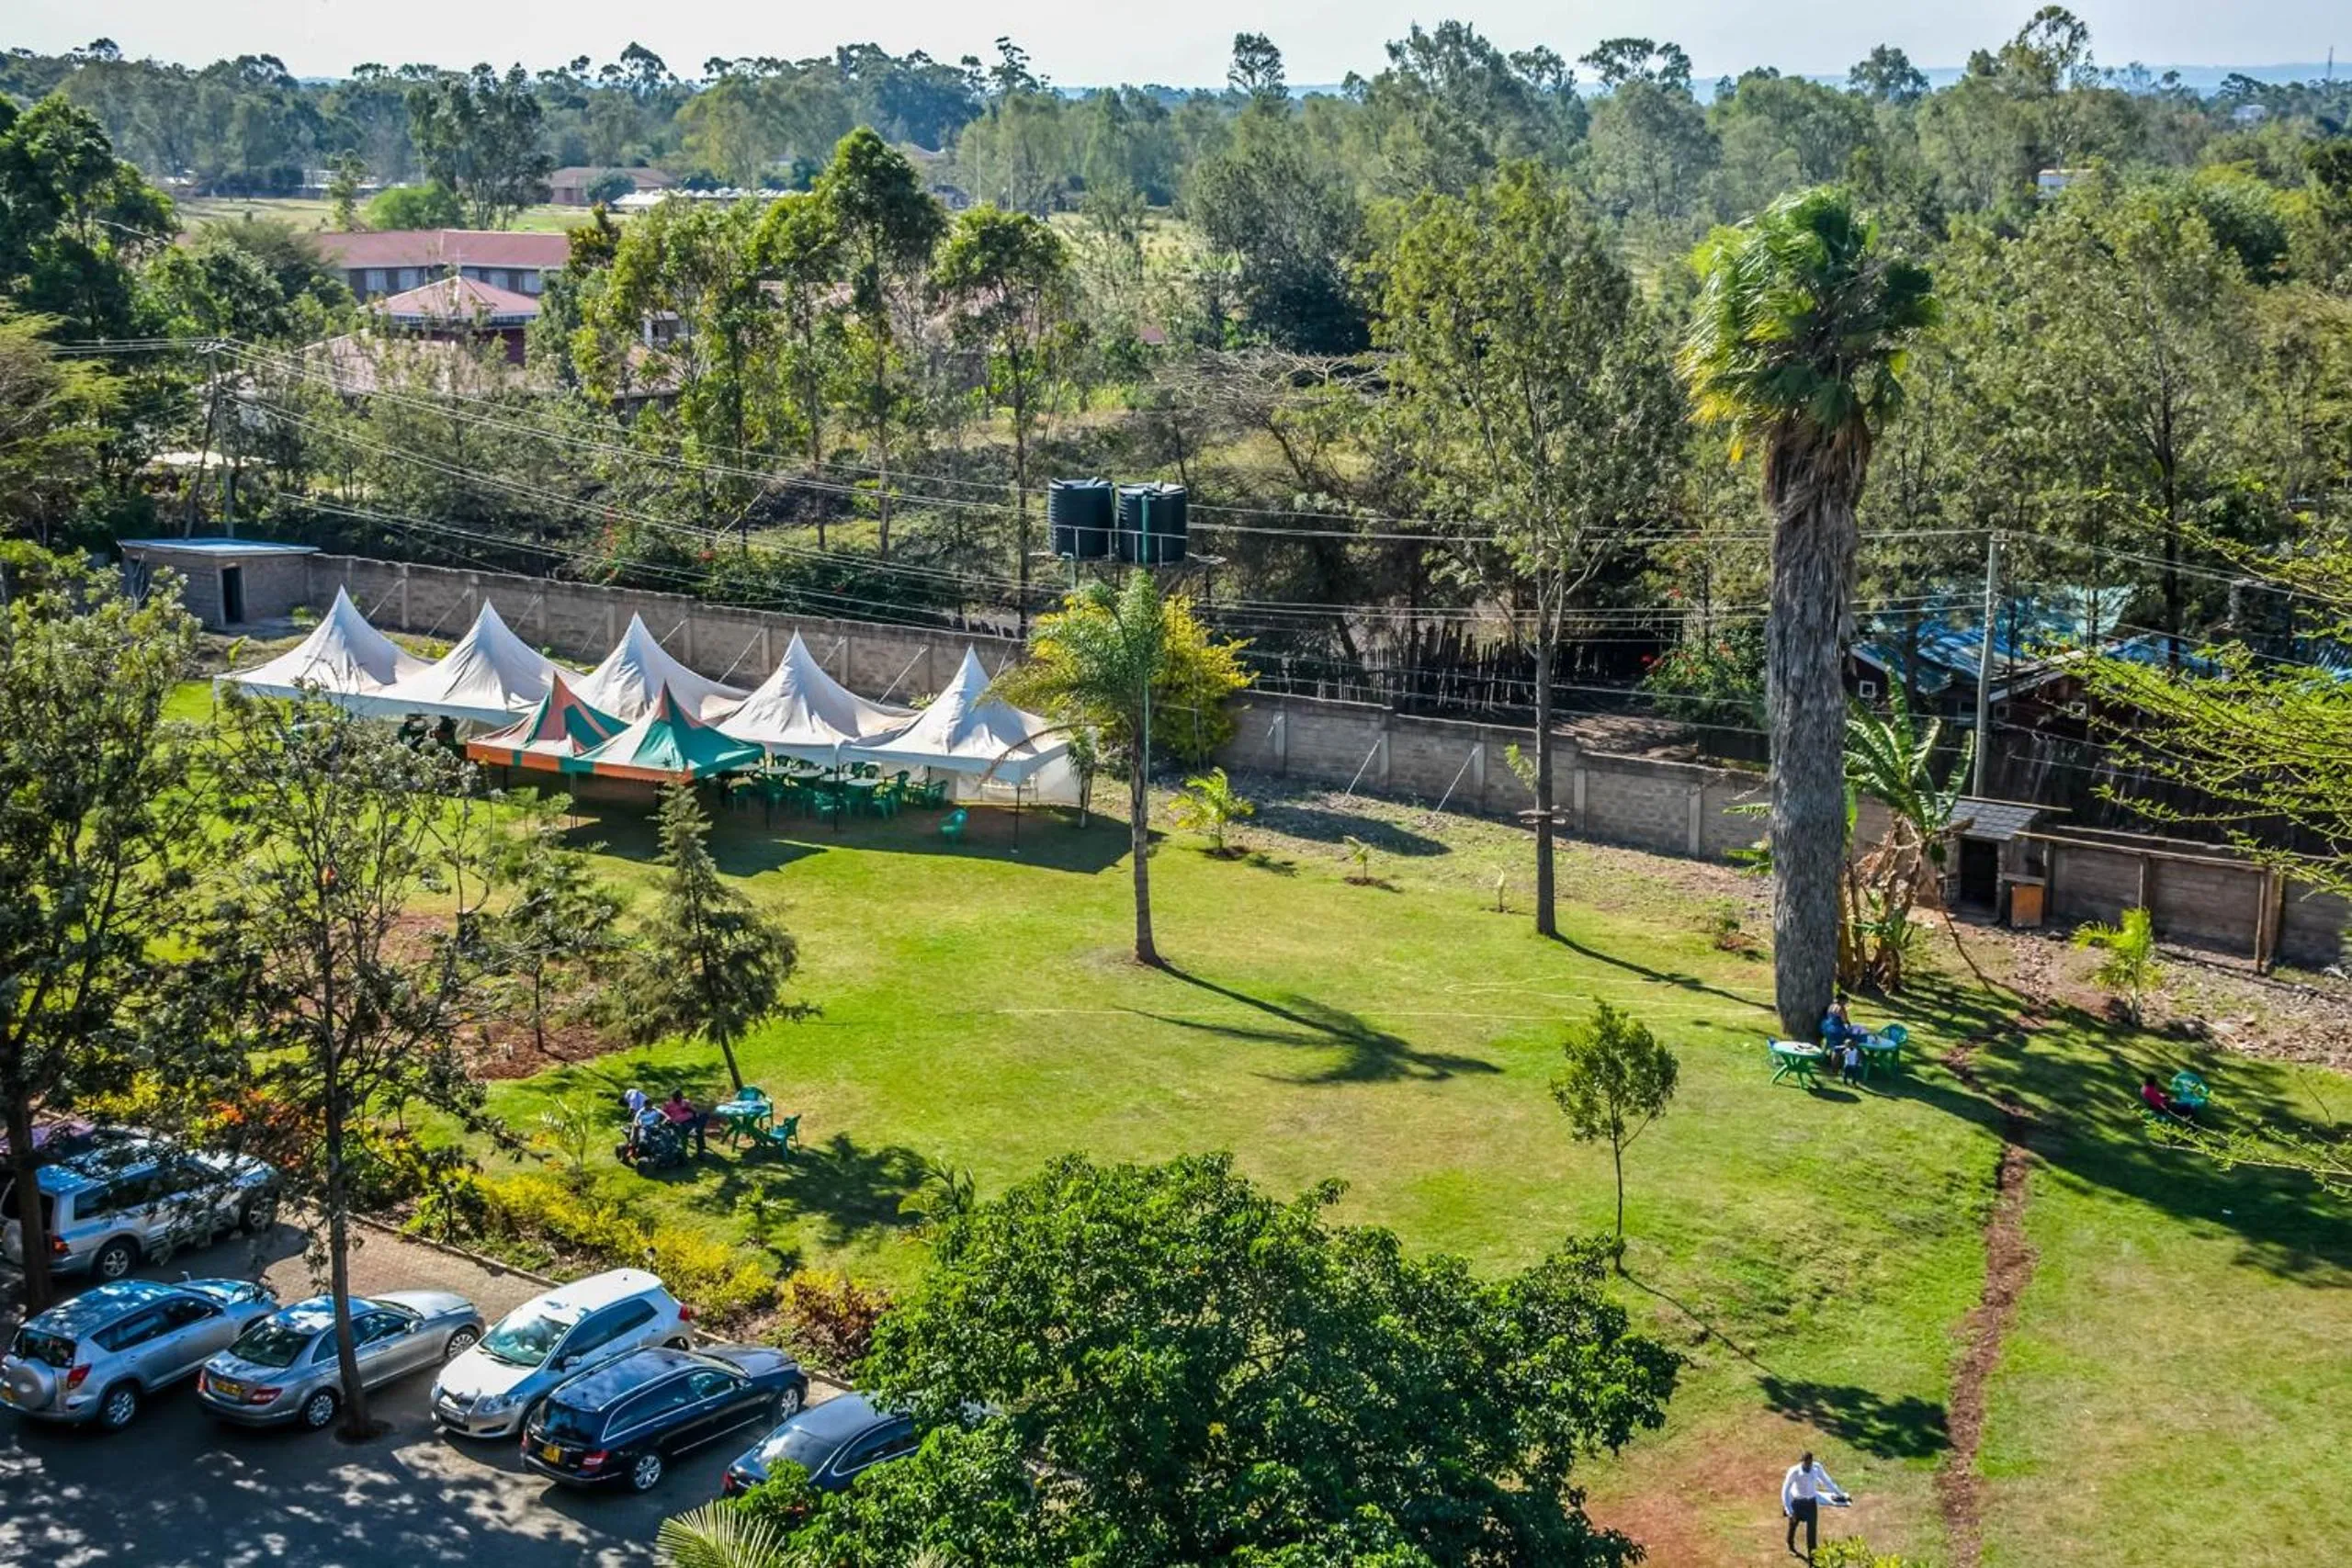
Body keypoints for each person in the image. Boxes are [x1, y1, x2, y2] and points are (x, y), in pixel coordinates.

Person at [1781, 1450, 1848, 1562]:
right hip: (1797, 1502)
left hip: (1811, 1503)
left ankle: (1813, 1559)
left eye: (1810, 1463)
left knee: (1812, 1531)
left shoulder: (1816, 1468)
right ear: (1802, 1462)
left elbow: (1827, 1481)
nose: (1808, 1465)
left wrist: (1839, 1493)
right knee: (1793, 1525)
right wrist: (1788, 1509)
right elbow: (1785, 1490)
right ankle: (1791, 1546)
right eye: (1806, 1463)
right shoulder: (1794, 1471)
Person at [662, 1089, 709, 1156]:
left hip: (691, 1120)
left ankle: (696, 1133)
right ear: (673, 1097)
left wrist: (688, 1108)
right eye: (677, 1097)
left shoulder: (686, 1102)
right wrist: (668, 1120)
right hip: (679, 1123)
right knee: (698, 1131)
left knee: (704, 1116)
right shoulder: (668, 1105)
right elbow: (663, 1115)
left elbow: (695, 1112)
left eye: (680, 1096)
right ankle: (695, 1134)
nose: (679, 1098)